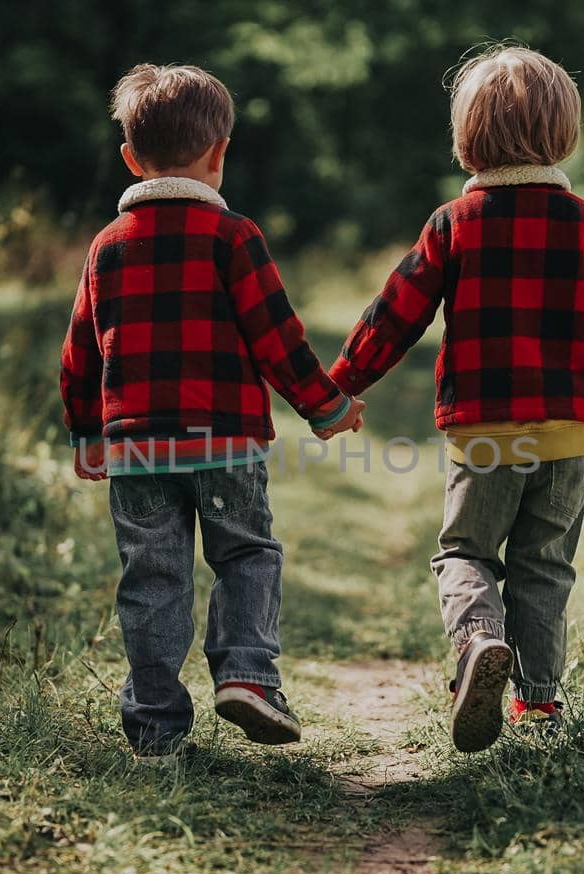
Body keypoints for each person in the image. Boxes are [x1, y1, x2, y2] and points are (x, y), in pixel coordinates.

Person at [328, 45, 584, 752]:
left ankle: (480, 640)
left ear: (468, 138)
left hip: (484, 430)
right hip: (567, 432)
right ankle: (538, 705)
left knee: (467, 552)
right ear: (563, 133)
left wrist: (341, 387)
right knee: (545, 564)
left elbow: (396, 313)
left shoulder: (453, 223)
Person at [60, 63, 365, 764]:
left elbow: (81, 348)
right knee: (247, 554)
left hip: (137, 449)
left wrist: (85, 430)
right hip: (224, 441)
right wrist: (327, 408)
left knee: (153, 579)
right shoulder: (233, 238)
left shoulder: (107, 246)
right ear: (219, 154)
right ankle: (247, 676)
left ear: (131, 159)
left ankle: (157, 729)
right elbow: (278, 340)